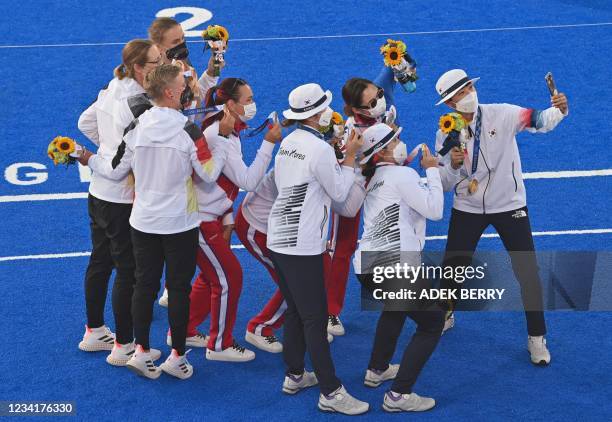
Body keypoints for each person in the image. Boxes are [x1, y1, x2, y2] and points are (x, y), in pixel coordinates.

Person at [78, 64, 228, 379]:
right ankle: (176, 358)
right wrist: (223, 143)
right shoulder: (190, 130)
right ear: (171, 92)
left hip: (143, 222)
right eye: (181, 83)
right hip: (179, 224)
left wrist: (86, 157)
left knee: (144, 286)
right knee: (178, 288)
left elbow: (116, 169)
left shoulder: (137, 127)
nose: (187, 87)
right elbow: (209, 175)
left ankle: (142, 352)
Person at [433, 69, 569, 365]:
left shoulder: (504, 114)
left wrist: (560, 110)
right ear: (448, 105)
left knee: (528, 272)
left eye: (468, 86)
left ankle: (537, 337)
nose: (467, 94)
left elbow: (540, 121)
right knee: (452, 268)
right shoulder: (446, 131)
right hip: (467, 207)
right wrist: (454, 166)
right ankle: (444, 314)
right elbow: (443, 182)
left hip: (509, 205)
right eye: (459, 93)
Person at [266, 83, 369, 415]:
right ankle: (331, 390)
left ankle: (295, 374)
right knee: (314, 317)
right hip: (302, 244)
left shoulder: (289, 143)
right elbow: (340, 193)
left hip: (278, 240)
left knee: (296, 311)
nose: (329, 110)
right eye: (325, 106)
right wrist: (350, 158)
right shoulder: (319, 149)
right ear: (316, 113)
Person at [172, 77, 282, 362]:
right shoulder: (218, 135)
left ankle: (181, 332)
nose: (252, 105)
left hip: (208, 215)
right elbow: (249, 181)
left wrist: (227, 215)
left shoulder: (227, 129)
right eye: (247, 100)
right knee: (229, 277)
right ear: (230, 104)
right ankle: (219, 345)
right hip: (199, 220)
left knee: (212, 277)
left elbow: (222, 181)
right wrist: (269, 144)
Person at [76, 39, 163, 365]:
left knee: (100, 262)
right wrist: (116, 154)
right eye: (155, 62)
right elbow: (137, 155)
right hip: (121, 198)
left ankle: (95, 331)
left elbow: (84, 123)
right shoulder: (138, 102)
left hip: (98, 194)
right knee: (130, 271)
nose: (161, 66)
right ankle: (124, 346)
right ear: (139, 67)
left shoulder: (113, 86)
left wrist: (107, 147)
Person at [353, 123, 445, 413]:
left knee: (395, 309)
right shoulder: (404, 174)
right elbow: (435, 211)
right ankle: (399, 395)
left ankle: (377, 369)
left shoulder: (373, 178)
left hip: (366, 267)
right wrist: (431, 170)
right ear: (381, 152)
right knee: (432, 323)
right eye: (396, 140)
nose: (401, 142)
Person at [235, 162, 365, 352]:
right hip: (260, 229)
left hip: (284, 229)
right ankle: (260, 328)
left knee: (320, 267)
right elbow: (347, 208)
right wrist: (360, 172)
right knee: (297, 283)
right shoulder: (317, 166)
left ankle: (303, 322)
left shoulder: (311, 156)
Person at [324, 71, 401, 337]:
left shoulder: (381, 113)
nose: (379, 100)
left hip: (380, 192)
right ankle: (329, 311)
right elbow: (345, 168)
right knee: (342, 249)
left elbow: (387, 84)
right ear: (356, 109)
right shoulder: (351, 133)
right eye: (371, 102)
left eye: (378, 95)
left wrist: (393, 65)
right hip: (352, 192)